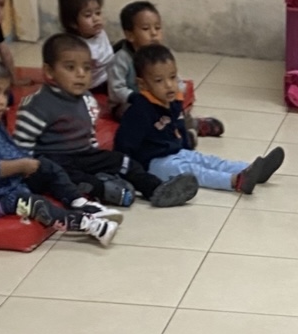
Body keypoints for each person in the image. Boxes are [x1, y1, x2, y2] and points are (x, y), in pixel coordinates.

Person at [0, 53, 119, 246]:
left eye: (4, 93)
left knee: (46, 167)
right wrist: (21, 165)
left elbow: (6, 149)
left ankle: (78, 201)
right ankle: (87, 224)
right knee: (35, 204)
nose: (2, 101)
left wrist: (27, 163)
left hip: (6, 183)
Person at [14, 34, 197, 209]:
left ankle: (156, 189)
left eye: (86, 68)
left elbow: (90, 135)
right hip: (54, 161)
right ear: (49, 71)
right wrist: (28, 174)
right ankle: (105, 190)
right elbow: (21, 147)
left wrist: (98, 160)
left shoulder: (87, 99)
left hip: (84, 155)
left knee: (124, 161)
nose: (81, 74)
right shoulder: (37, 105)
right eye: (70, 68)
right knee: (72, 178)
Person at [116, 44, 284, 194]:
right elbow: (124, 145)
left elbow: (179, 127)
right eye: (159, 80)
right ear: (143, 84)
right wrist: (132, 175)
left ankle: (251, 169)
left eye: (172, 77)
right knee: (194, 171)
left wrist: (187, 147)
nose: (169, 85)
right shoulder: (139, 111)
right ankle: (235, 181)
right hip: (154, 164)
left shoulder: (173, 101)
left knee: (208, 161)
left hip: (176, 152)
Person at [108, 0, 225, 136]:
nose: (153, 33)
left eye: (157, 28)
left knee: (175, 108)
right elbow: (116, 90)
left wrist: (177, 90)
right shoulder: (122, 59)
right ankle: (170, 136)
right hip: (129, 103)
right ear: (130, 35)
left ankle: (194, 125)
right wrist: (137, 98)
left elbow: (174, 78)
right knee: (140, 115)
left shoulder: (162, 55)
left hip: (159, 97)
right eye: (146, 29)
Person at [57, 0, 115, 90]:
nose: (96, 19)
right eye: (88, 15)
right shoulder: (77, 48)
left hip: (110, 68)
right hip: (98, 82)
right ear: (73, 23)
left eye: (98, 13)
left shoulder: (97, 31)